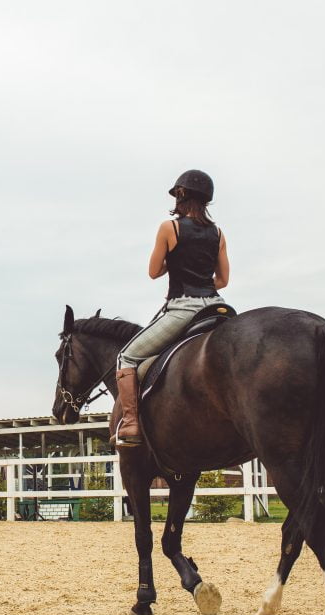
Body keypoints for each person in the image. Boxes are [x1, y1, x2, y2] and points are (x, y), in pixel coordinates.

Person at [113, 169, 230, 446]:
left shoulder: (170, 228)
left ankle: (130, 424)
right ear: (206, 201)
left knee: (126, 358)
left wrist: (174, 261)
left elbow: (154, 271)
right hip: (216, 307)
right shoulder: (218, 233)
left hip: (184, 308)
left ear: (180, 195)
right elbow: (223, 280)